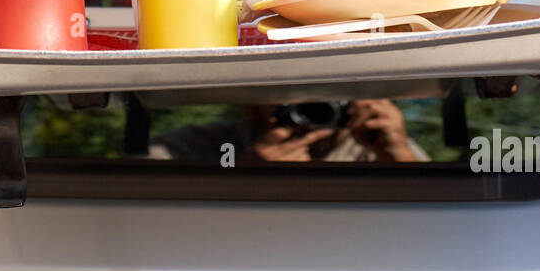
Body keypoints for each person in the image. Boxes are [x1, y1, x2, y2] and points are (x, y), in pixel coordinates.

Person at [147, 97, 430, 163]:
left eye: (324, 93)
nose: (304, 111)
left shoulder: (373, 143)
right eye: (282, 88)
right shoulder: (196, 149)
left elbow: (431, 230)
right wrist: (242, 181)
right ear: (247, 102)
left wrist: (399, 158)